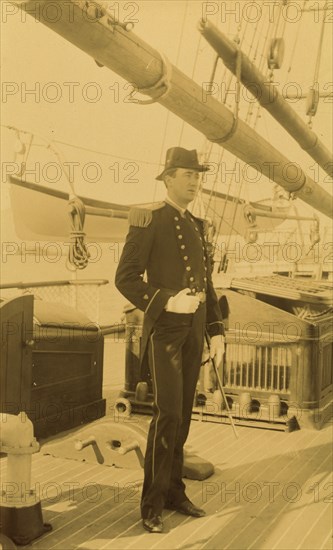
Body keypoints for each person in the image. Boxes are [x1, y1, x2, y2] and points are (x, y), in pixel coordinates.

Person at [115, 147, 225, 533]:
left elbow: (207, 285)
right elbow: (125, 278)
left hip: (194, 333)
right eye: (187, 175)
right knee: (168, 415)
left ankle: (175, 492)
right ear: (168, 178)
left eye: (198, 176)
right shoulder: (149, 221)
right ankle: (152, 503)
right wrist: (167, 300)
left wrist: (216, 331)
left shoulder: (198, 225)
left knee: (184, 417)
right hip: (164, 332)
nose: (195, 182)